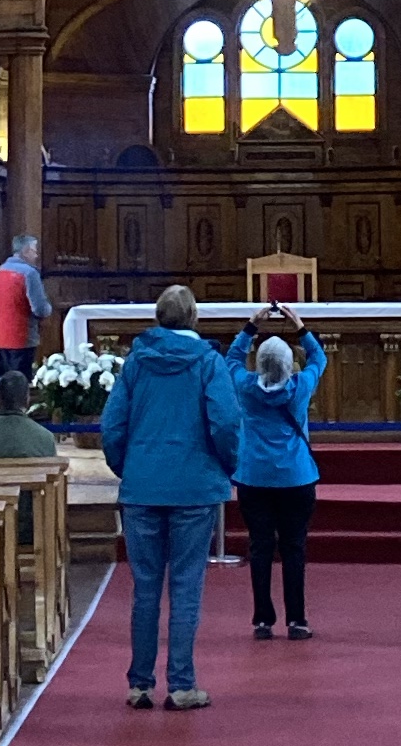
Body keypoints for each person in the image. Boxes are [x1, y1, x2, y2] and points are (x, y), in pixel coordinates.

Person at [99, 282, 240, 711]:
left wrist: (130, 468)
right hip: (193, 486)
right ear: (194, 317)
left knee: (145, 588)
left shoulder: (136, 363)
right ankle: (181, 685)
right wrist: (226, 466)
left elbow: (112, 425)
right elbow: (225, 422)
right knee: (185, 586)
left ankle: (140, 684)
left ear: (158, 318)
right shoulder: (208, 362)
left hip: (143, 485)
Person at [227, 311, 328, 639]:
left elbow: (231, 359)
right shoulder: (300, 387)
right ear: (289, 365)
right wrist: (300, 327)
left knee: (259, 547)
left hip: (254, 477)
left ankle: (262, 621)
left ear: (258, 364)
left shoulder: (245, 387)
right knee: (294, 547)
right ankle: (297, 620)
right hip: (295, 477)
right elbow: (319, 358)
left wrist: (251, 326)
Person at [0, 231, 48, 402]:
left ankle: (7, 411)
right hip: (23, 336)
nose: (36, 255)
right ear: (26, 251)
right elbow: (40, 309)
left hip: (2, 337)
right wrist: (49, 309)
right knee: (21, 386)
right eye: (34, 251)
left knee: (7, 383)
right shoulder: (29, 273)